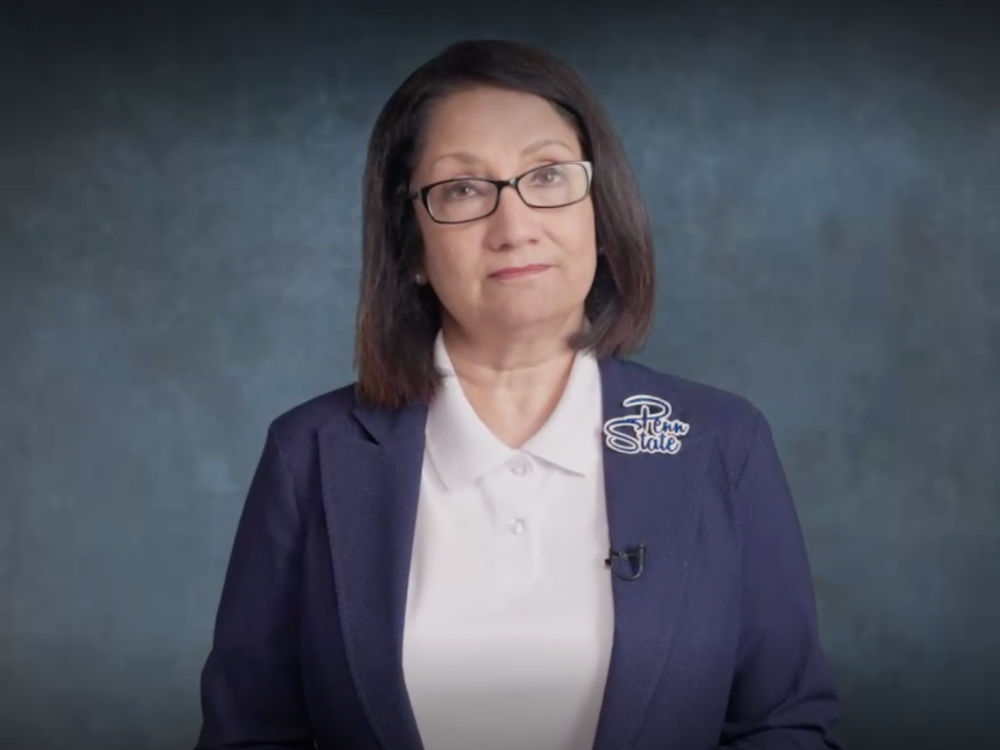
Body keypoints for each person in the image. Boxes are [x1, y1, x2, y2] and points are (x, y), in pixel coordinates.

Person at [194, 38, 843, 750]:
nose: (515, 226)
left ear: (601, 210)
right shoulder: (309, 455)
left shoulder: (723, 442)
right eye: (463, 189)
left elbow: (785, 726)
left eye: (548, 175)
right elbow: (247, 735)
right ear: (410, 245)